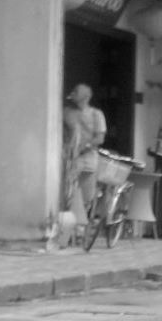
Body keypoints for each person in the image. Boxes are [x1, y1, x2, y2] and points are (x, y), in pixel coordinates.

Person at [60, 83, 106, 234]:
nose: (73, 93)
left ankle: (81, 224)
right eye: (73, 91)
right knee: (68, 192)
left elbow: (100, 138)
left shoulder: (96, 114)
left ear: (87, 96)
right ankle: (70, 226)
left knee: (87, 194)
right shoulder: (66, 112)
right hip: (70, 157)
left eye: (77, 92)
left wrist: (85, 146)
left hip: (88, 157)